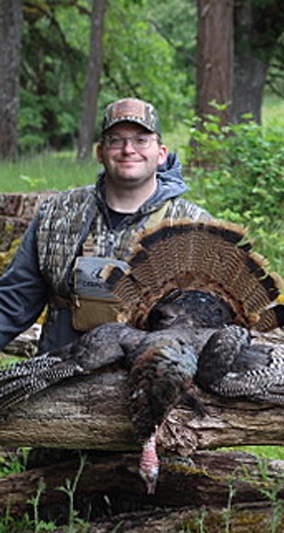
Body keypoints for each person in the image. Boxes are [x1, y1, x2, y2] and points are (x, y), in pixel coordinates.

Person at [0, 97, 210, 355]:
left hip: (145, 381)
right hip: (57, 376)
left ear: (161, 154)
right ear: (100, 152)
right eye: (116, 140)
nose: (128, 149)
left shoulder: (195, 228)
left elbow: (206, 327)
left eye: (141, 140)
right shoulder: (56, 215)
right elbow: (13, 303)